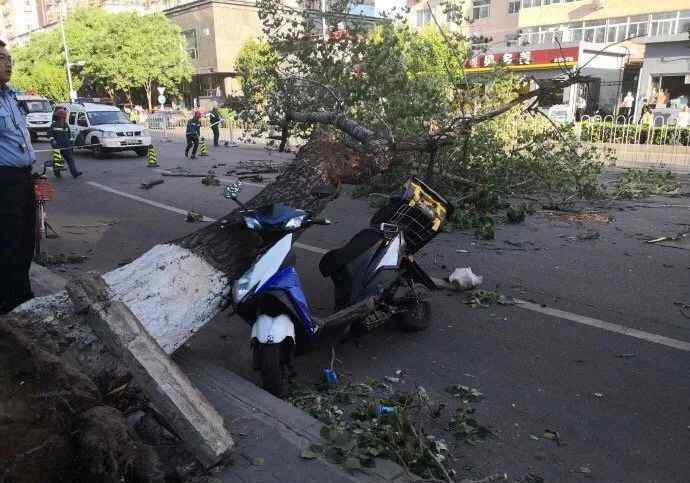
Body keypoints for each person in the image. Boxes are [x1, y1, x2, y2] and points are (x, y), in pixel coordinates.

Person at [0, 39, 37, 314]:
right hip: (4, 181)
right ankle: (10, 301)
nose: (8, 63)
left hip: (24, 178)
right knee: (8, 241)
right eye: (2, 58)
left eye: (9, 57)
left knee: (26, 239)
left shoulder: (11, 97)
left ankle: (23, 295)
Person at [48, 109, 81, 179]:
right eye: (61, 117)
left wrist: (71, 143)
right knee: (57, 161)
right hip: (57, 146)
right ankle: (57, 173)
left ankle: (75, 173)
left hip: (66, 146)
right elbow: (50, 135)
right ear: (58, 117)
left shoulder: (66, 125)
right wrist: (53, 142)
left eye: (63, 118)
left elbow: (69, 135)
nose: (62, 119)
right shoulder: (53, 125)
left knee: (70, 159)